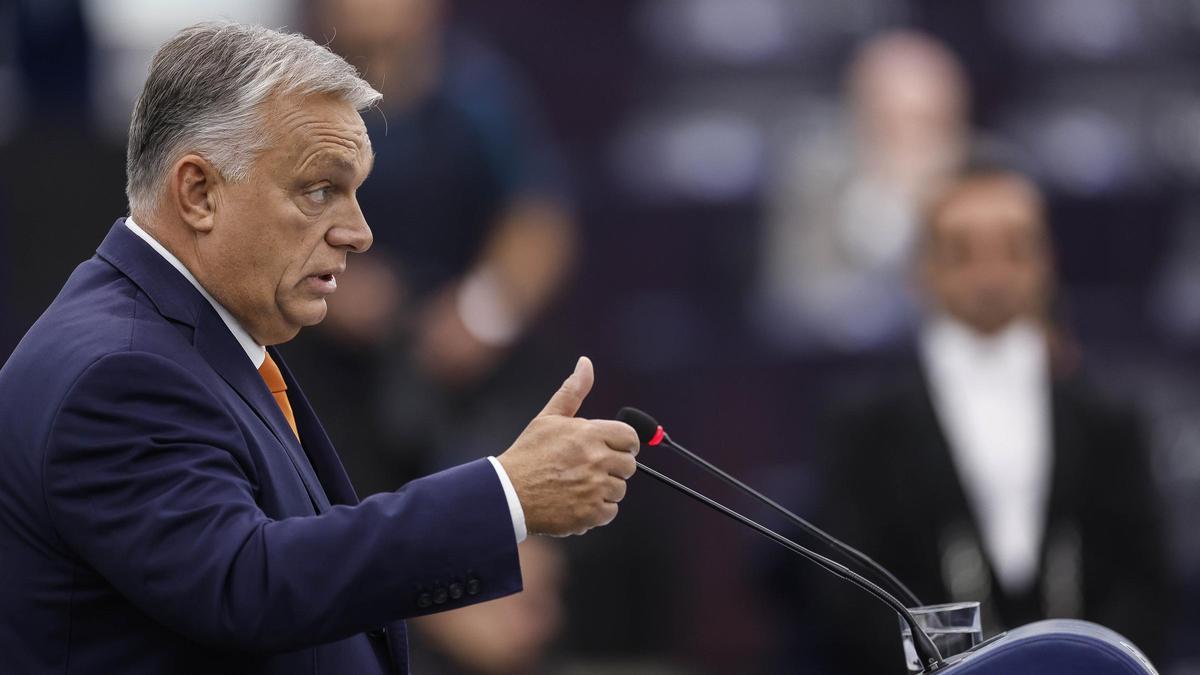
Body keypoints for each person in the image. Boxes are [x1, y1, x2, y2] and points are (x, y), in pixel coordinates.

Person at [0, 22, 639, 675]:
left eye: (356, 191)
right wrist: (507, 496)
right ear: (198, 192)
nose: (359, 233)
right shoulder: (119, 370)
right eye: (319, 190)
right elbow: (248, 584)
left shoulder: (194, 340)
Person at [796, 161, 1168, 672]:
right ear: (921, 268)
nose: (990, 273)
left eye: (1014, 249)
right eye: (962, 251)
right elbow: (846, 594)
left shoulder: (1111, 417)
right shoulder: (863, 425)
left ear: (1047, 262)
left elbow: (1149, 578)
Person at [755, 30, 971, 353]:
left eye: (926, 122)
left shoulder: (992, 176)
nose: (909, 140)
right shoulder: (815, 177)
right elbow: (795, 295)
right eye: (890, 122)